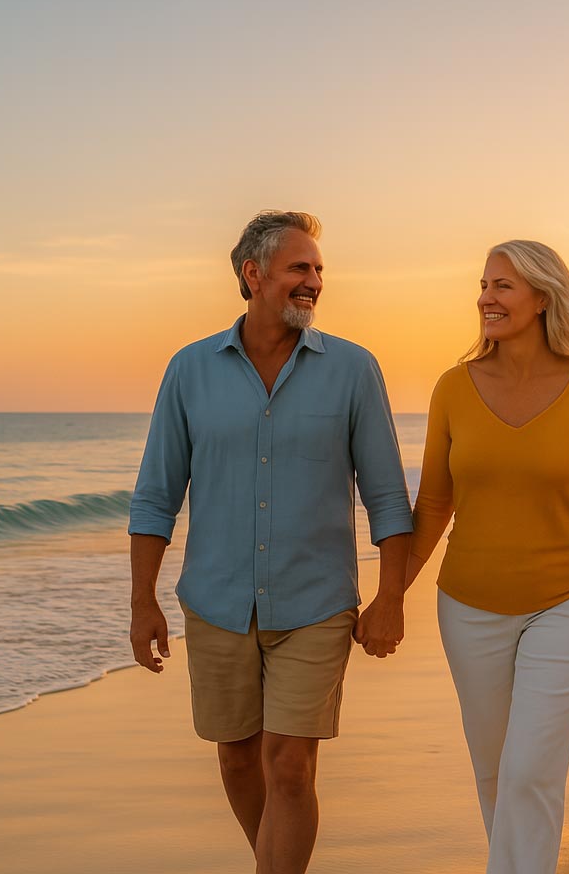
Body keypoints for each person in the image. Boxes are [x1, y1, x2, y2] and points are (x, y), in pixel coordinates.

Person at [127, 210, 413, 874]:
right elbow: (155, 496)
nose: (313, 281)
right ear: (253, 275)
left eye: (318, 270)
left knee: (289, 765)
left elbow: (388, 498)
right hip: (217, 602)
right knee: (235, 757)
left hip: (316, 604)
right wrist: (142, 602)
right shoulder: (189, 371)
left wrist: (390, 597)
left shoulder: (353, 370)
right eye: (299, 268)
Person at [406, 239, 569, 874]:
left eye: (503, 286)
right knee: (496, 775)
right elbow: (434, 505)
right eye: (484, 285)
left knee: (528, 772)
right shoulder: (453, 389)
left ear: (543, 298)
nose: (486, 298)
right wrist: (389, 597)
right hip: (468, 605)